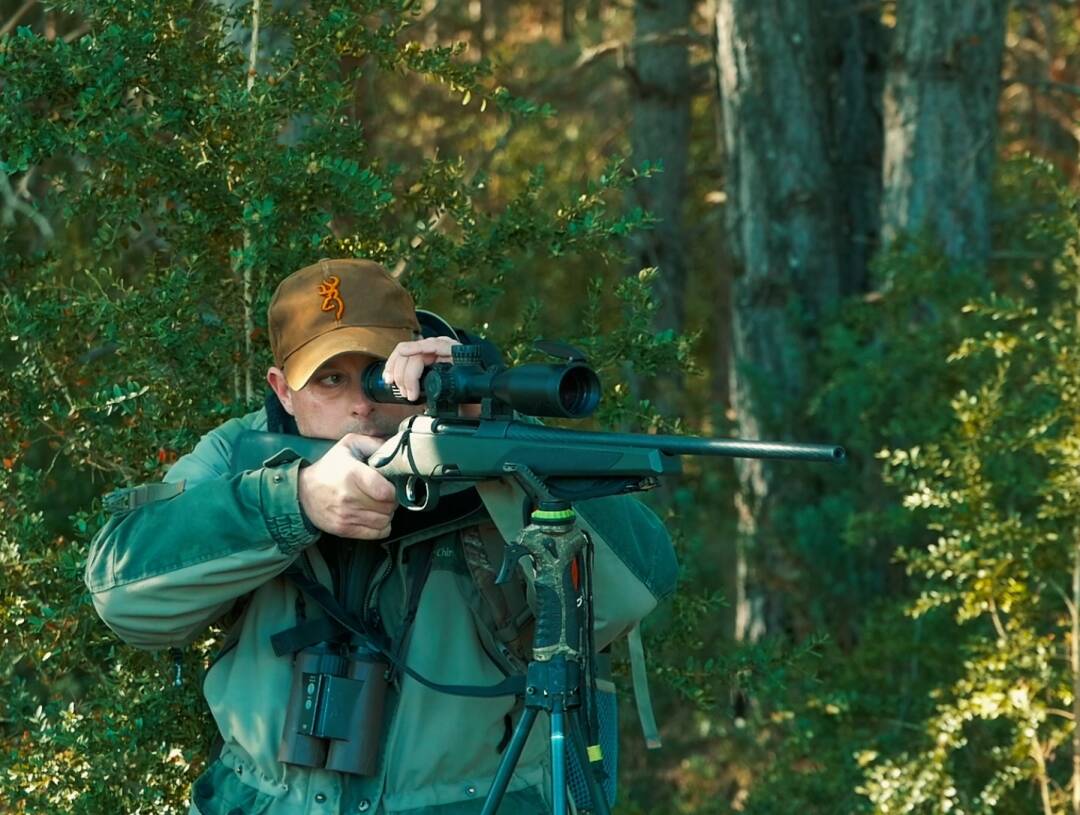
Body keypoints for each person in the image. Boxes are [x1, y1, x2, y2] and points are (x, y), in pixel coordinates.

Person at [85, 258, 678, 815]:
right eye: (328, 380)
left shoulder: (493, 444)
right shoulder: (235, 455)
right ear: (282, 389)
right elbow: (123, 596)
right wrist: (292, 502)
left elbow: (636, 590)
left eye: (377, 377)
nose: (359, 408)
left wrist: (492, 436)